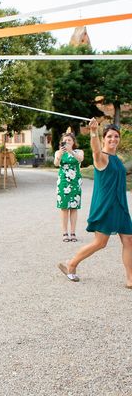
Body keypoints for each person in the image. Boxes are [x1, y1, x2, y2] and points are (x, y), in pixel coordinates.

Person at [59, 119, 132, 288]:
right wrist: (93, 132)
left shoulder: (117, 159)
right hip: (106, 206)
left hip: (121, 206)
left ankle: (130, 279)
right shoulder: (101, 158)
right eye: (109, 136)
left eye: (116, 136)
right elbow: (95, 149)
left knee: (128, 240)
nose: (113, 139)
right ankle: (71, 264)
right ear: (104, 138)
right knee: (100, 242)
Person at [54, 132, 84, 242]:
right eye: (65, 141)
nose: (67, 142)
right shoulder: (58, 152)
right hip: (63, 182)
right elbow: (56, 164)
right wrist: (61, 154)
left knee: (74, 207)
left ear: (73, 142)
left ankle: (73, 232)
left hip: (75, 181)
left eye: (69, 140)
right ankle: (65, 233)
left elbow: (80, 159)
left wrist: (70, 151)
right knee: (64, 207)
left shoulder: (79, 151)